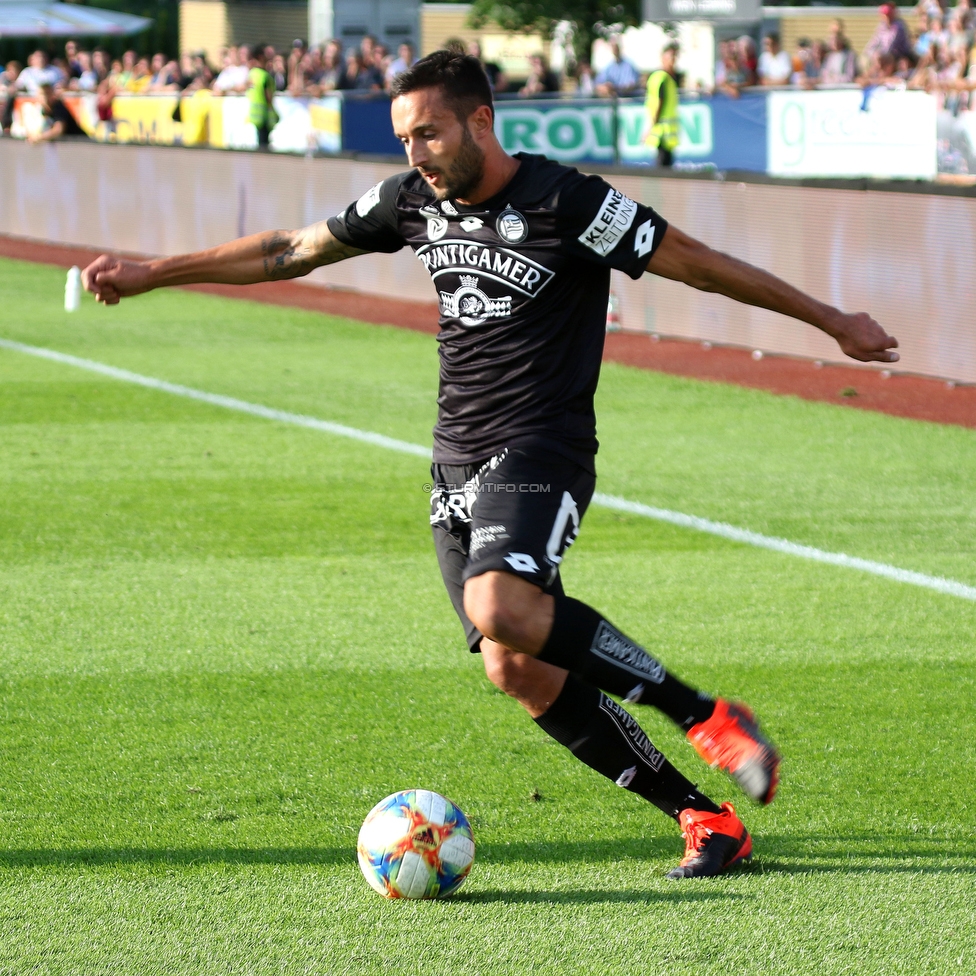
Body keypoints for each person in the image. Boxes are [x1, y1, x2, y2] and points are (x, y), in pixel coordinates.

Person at [80, 51, 899, 880]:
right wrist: (155, 273)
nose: (416, 155)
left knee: (500, 603)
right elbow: (293, 247)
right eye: (404, 138)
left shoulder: (567, 201)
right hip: (453, 464)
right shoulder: (409, 202)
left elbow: (695, 260)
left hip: (542, 446)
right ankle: (704, 818)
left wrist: (829, 319)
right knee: (516, 666)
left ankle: (707, 715)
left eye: (429, 133)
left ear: (480, 121)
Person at [645, 42, 680, 167]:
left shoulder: (669, 78)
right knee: (662, 169)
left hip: (666, 134)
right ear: (663, 58)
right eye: (671, 57)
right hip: (662, 133)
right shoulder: (662, 78)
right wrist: (650, 127)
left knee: (666, 167)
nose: (673, 61)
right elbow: (658, 103)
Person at [246, 45, 277, 148]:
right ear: (260, 56)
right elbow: (268, 97)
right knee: (264, 146)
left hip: (253, 115)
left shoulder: (252, 73)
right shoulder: (265, 76)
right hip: (264, 116)